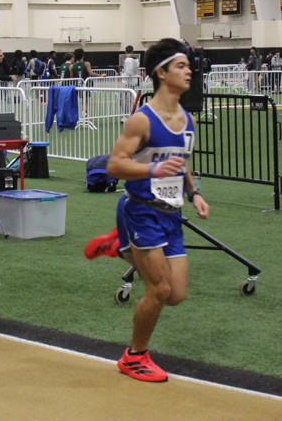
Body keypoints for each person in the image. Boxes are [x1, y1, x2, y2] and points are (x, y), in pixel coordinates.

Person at [84, 38, 209, 382]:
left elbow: (181, 162)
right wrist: (154, 169)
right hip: (140, 210)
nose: (189, 72)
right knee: (160, 289)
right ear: (161, 72)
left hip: (171, 214)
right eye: (181, 66)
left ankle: (118, 246)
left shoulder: (188, 120)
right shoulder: (142, 120)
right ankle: (135, 356)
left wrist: (194, 193)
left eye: (189, 66)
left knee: (176, 295)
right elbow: (114, 166)